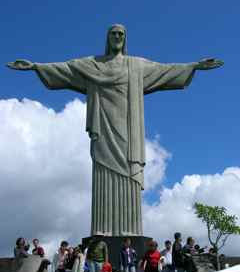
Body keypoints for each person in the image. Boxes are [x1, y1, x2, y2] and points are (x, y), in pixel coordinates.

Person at [8, 25, 223, 238]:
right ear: (107, 38)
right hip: (103, 127)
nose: (117, 37)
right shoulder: (93, 65)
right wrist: (36, 66)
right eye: (113, 34)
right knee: (103, 172)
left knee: (128, 173)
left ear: (125, 38)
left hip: (128, 130)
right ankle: (102, 229)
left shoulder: (136, 66)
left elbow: (165, 70)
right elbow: (66, 69)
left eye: (121, 34)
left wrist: (194, 66)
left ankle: (130, 229)